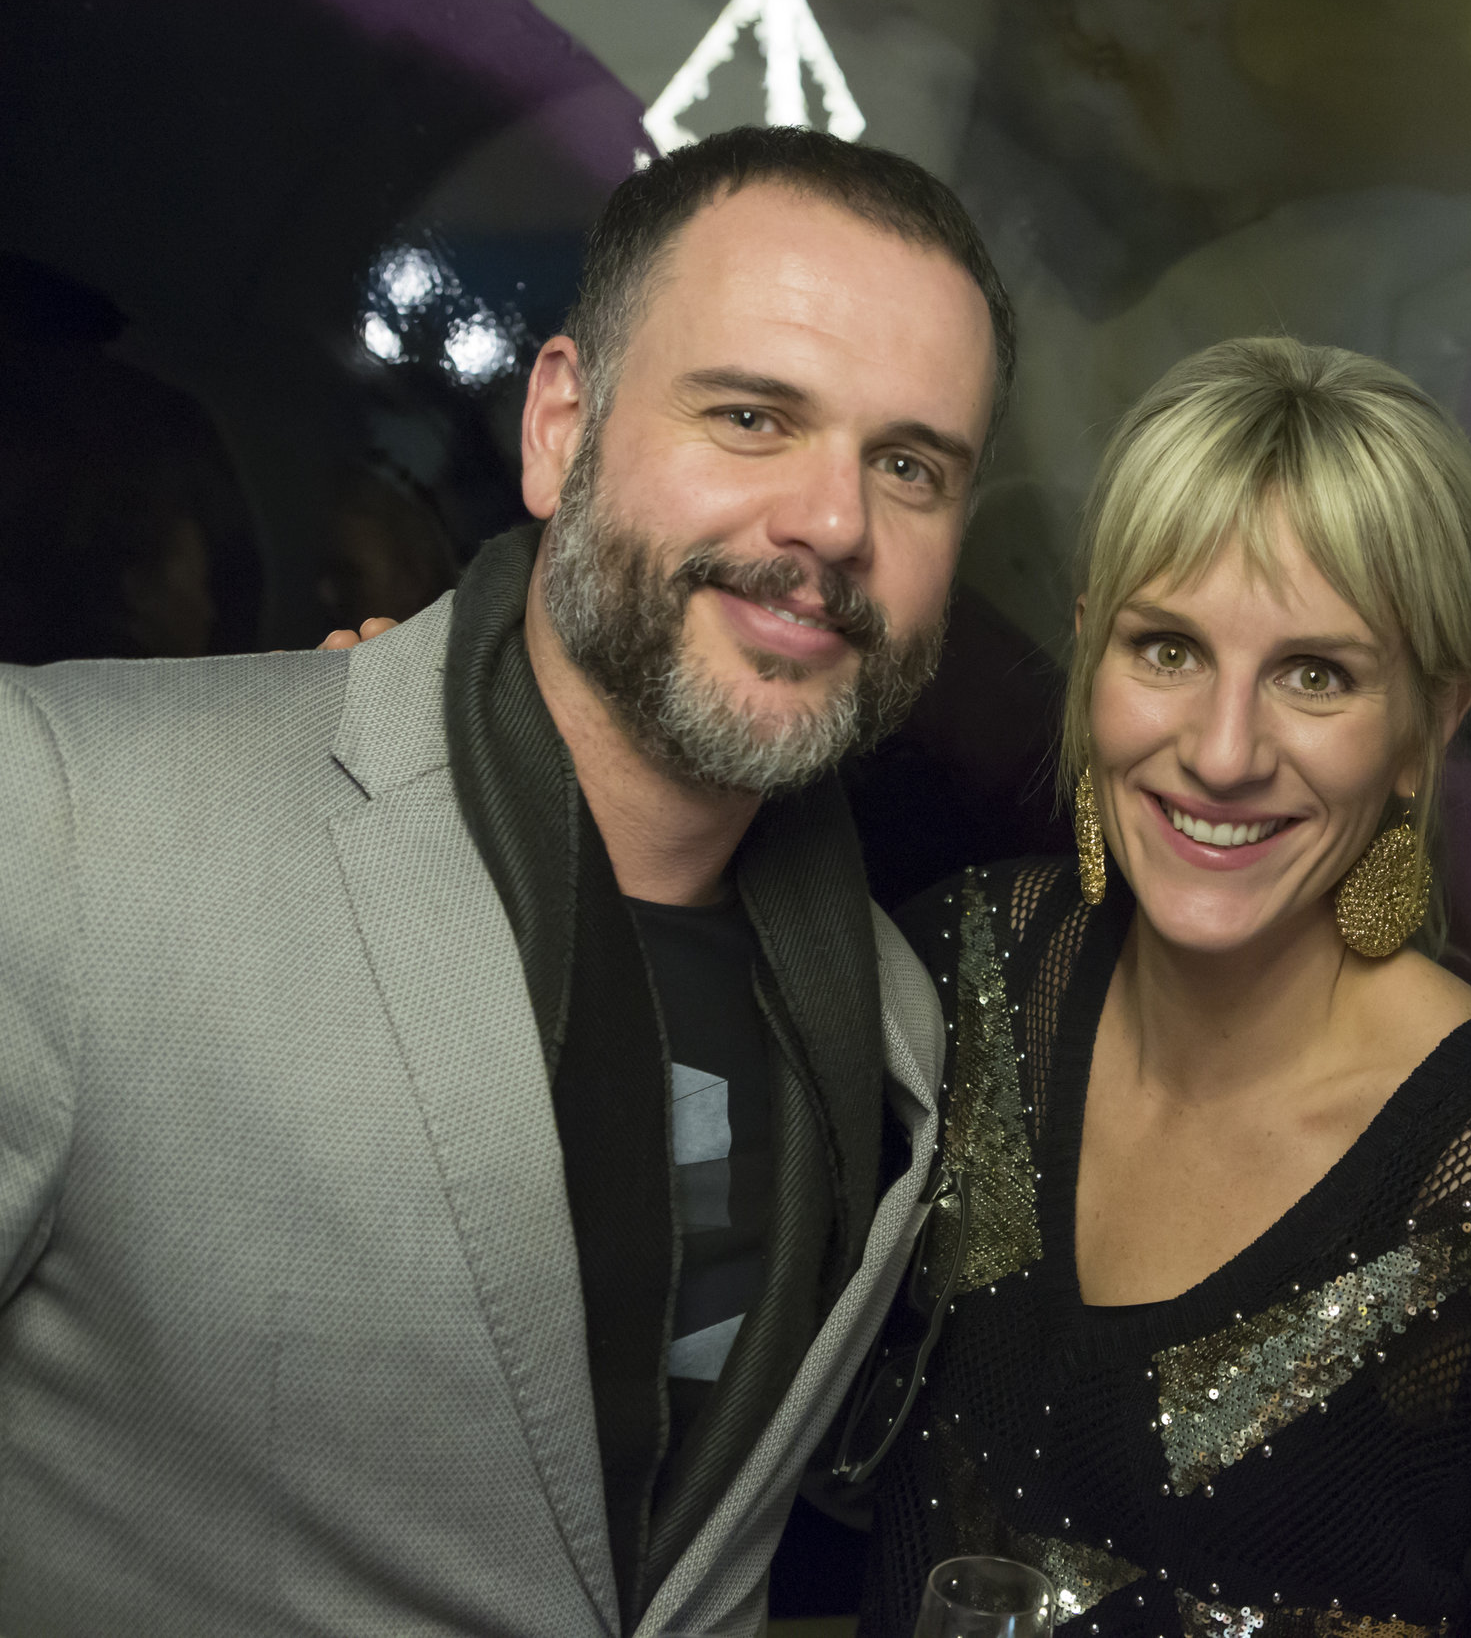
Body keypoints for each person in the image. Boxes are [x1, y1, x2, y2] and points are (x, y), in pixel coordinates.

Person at [0, 125, 1012, 1636]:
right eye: (751, 417)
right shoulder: (70, 813)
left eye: (910, 465)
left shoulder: (892, 1026)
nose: (833, 523)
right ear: (559, 428)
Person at [859, 337, 1471, 1637]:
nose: (1224, 753)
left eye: (1315, 674)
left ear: (1431, 725)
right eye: (1168, 649)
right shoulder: (965, 970)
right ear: (1090, 657)